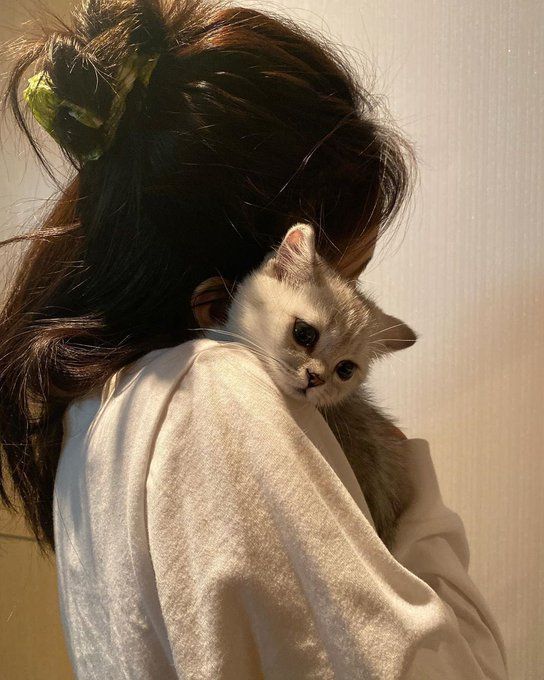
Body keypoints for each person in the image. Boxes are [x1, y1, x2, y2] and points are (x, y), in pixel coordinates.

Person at [0, 0, 508, 677]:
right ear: (267, 266)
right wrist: (420, 502)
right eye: (343, 273)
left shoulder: (95, 414)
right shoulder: (215, 392)